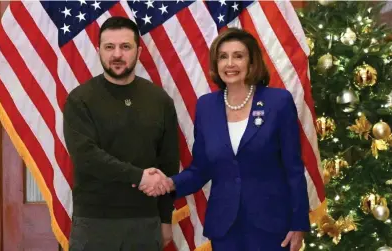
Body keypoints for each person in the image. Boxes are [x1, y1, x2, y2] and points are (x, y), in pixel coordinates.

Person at [139, 28, 310, 251]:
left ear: (251, 62)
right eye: (223, 57)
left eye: (238, 56)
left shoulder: (278, 102)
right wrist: (169, 183)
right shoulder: (206, 106)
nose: (230, 63)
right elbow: (201, 169)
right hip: (225, 228)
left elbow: (293, 168)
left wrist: (299, 224)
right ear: (216, 64)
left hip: (272, 227)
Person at [63, 16, 179, 251]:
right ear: (99, 50)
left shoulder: (159, 100)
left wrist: (165, 218)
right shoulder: (80, 99)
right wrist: (139, 177)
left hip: (145, 223)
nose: (117, 54)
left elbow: (168, 162)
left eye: (125, 47)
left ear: (138, 50)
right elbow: (87, 157)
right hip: (94, 224)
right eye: (109, 47)